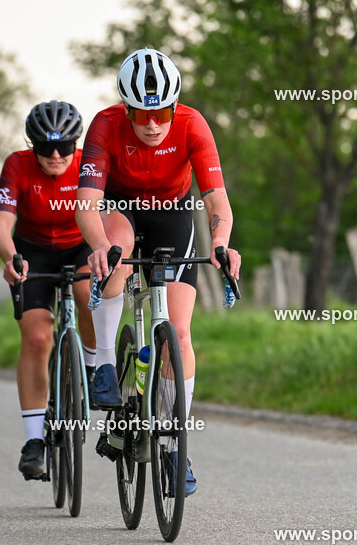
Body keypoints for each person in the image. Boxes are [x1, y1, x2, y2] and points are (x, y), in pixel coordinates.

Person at [76, 48, 241, 496]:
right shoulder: (105, 126)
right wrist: (97, 247)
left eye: (163, 111)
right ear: (126, 109)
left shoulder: (192, 125)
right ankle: (106, 363)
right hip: (120, 209)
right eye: (142, 113)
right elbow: (86, 204)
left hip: (171, 213)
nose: (153, 123)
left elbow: (216, 201)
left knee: (179, 334)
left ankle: (173, 443)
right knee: (116, 248)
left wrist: (222, 244)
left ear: (175, 105)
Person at [0, 100, 97, 480]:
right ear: (31, 145)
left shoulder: (90, 164)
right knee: (37, 339)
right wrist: (11, 257)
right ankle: (34, 440)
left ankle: (89, 372)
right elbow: (2, 225)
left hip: (80, 245)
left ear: (76, 144)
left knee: (88, 297)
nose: (55, 155)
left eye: (65, 147)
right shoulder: (17, 165)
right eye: (45, 148)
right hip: (32, 253)